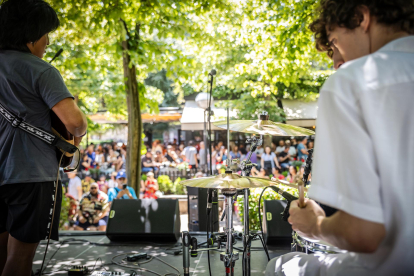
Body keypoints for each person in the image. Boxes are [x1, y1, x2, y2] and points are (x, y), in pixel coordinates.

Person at [266, 1, 414, 275]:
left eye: (334, 44)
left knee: (280, 266)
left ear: (361, 17)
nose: (336, 63)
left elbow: (364, 234)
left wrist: (315, 226)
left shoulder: (351, 82)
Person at [0, 1, 88, 275]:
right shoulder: (41, 70)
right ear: (31, 33)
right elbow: (75, 124)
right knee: (20, 258)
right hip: (31, 175)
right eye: (46, 33)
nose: (48, 41)